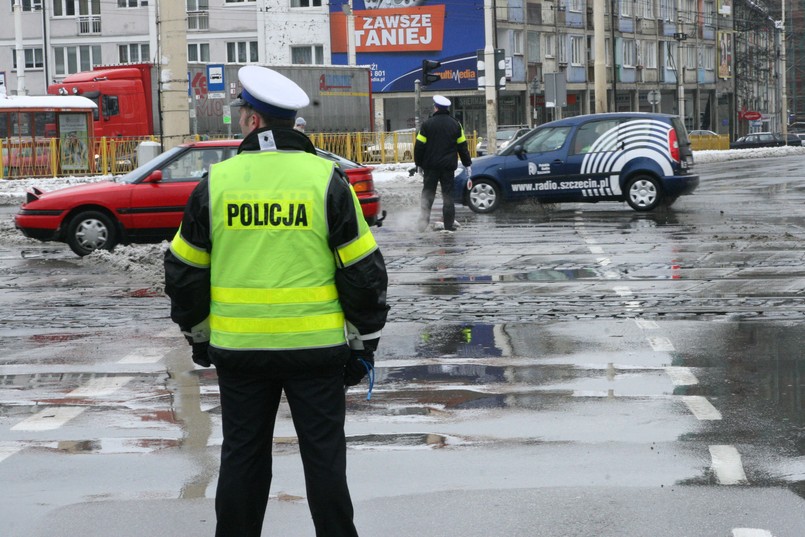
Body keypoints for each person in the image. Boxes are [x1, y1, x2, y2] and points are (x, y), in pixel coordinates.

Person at [164, 65, 389, 537]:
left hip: (240, 353)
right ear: (290, 124)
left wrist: (199, 336)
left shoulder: (216, 183)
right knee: (324, 458)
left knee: (243, 458)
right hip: (317, 351)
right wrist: (364, 344)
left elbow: (185, 273)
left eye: (241, 112)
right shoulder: (327, 181)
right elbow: (363, 273)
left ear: (253, 121)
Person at [414, 95, 472, 232]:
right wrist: (467, 163)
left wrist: (419, 164)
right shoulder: (456, 124)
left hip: (430, 167)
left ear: (436, 107)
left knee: (428, 194)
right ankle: (448, 225)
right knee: (448, 196)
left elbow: (419, 146)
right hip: (447, 168)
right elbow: (462, 146)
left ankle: (423, 223)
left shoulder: (427, 124)